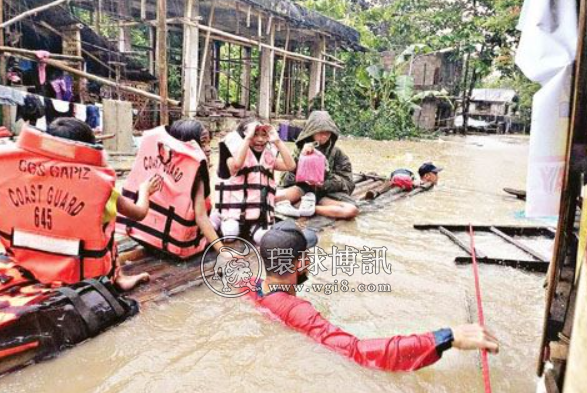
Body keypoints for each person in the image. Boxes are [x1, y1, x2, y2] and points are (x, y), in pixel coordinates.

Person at [247, 221, 500, 372]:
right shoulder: (298, 310)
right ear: (301, 261)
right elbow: (359, 353)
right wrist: (444, 337)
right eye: (309, 256)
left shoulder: (249, 286)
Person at [0, 118, 159, 291]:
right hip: (81, 277)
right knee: (106, 221)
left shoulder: (12, 172)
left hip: (25, 269)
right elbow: (139, 213)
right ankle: (117, 277)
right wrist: (145, 190)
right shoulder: (99, 185)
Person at [118, 119, 235, 262]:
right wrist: (223, 251)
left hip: (145, 237)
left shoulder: (158, 158)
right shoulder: (195, 173)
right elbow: (201, 217)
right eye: (203, 143)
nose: (209, 148)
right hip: (178, 247)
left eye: (208, 143)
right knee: (219, 221)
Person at [213, 118, 296, 244]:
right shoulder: (233, 154)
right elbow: (236, 167)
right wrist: (247, 138)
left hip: (258, 214)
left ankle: (251, 229)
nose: (260, 139)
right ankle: (217, 216)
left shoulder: (268, 156)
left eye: (264, 135)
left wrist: (278, 141)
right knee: (229, 234)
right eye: (255, 135)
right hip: (234, 212)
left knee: (263, 239)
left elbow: (290, 166)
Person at [277, 111, 359, 219]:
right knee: (269, 199)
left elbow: (348, 183)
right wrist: (301, 158)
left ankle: (311, 209)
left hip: (323, 195)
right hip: (300, 191)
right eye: (320, 132)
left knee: (351, 210)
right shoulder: (300, 150)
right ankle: (301, 205)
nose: (324, 136)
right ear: (312, 132)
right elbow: (284, 179)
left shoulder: (337, 154)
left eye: (328, 132)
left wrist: (324, 182)